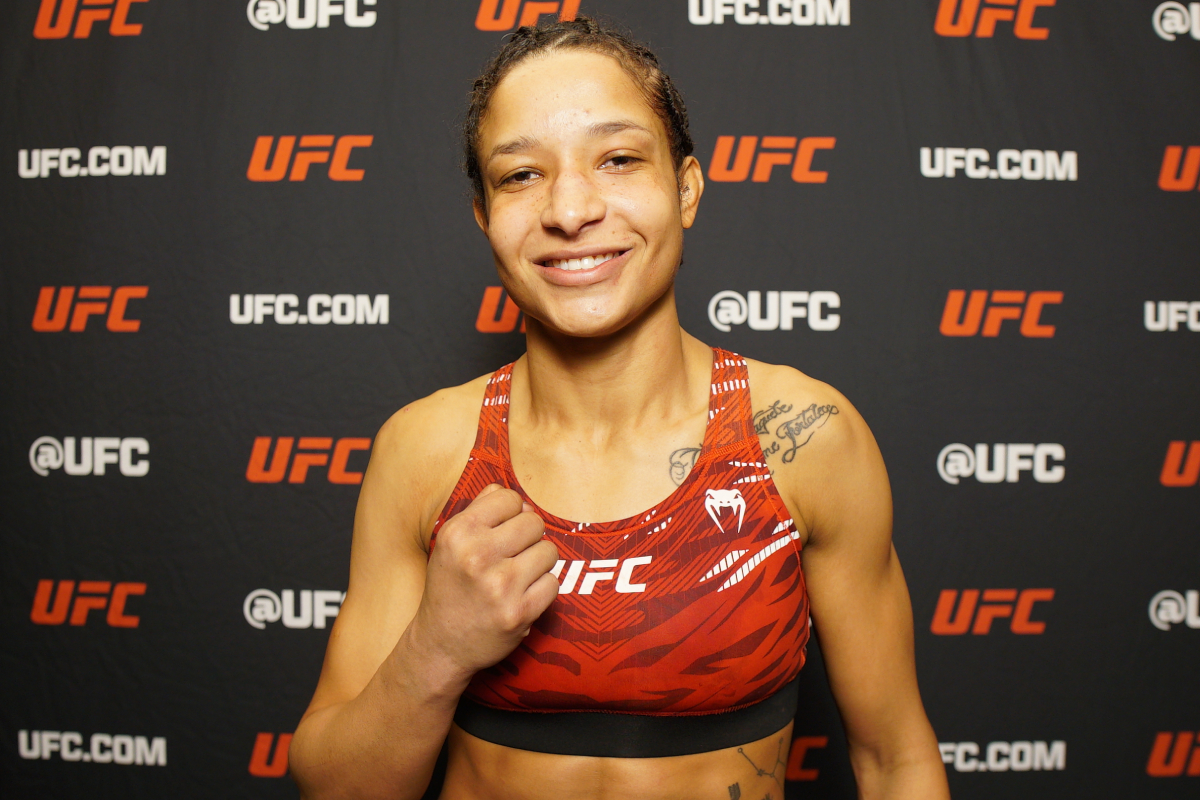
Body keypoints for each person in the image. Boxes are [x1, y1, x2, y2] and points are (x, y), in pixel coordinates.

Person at [289, 17, 950, 800]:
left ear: (686, 188)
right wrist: (435, 648)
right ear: (484, 217)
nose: (570, 209)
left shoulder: (803, 439)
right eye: (521, 175)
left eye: (618, 159)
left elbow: (895, 761)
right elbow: (336, 789)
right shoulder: (425, 449)